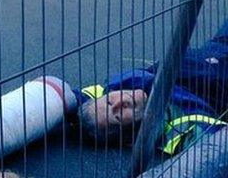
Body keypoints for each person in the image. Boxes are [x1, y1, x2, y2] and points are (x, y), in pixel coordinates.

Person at [76, 20, 228, 155]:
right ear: (131, 137)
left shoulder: (119, 85)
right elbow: (214, 147)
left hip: (218, 46)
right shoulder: (178, 129)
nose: (120, 102)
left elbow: (67, 95)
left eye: (109, 101)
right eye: (117, 115)